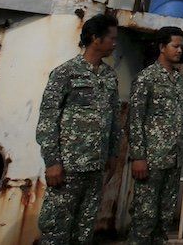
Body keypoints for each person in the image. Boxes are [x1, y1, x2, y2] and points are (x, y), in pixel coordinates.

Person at [36, 13, 121, 245]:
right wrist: (52, 161)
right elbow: (48, 119)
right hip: (68, 167)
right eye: (111, 38)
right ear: (96, 39)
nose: (114, 43)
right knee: (56, 229)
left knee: (84, 231)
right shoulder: (65, 73)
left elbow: (114, 119)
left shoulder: (109, 76)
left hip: (95, 167)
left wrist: (113, 155)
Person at [128, 26, 183, 245]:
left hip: (173, 162)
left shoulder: (181, 83)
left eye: (181, 47)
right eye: (175, 46)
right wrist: (138, 156)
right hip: (151, 161)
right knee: (144, 219)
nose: (179, 51)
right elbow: (135, 119)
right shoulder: (147, 78)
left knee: (164, 220)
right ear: (161, 47)